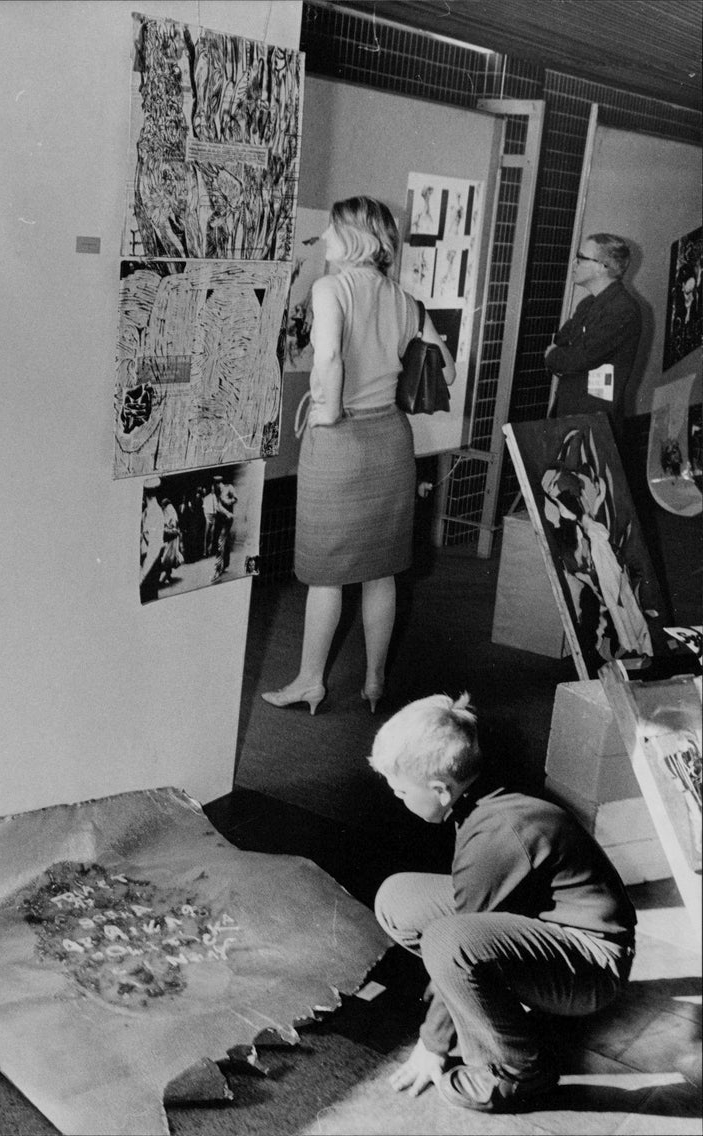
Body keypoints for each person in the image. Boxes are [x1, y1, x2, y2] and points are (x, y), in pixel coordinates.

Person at [369, 692, 636, 1113]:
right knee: (398, 897)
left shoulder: (496, 835)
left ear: (441, 790)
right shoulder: (485, 794)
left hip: (593, 966)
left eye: (402, 792)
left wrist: (433, 1044)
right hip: (554, 928)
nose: (399, 800)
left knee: (448, 944)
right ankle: (481, 998)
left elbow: (457, 934)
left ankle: (518, 1073)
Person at [261, 196, 456, 716]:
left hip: (340, 445)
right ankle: (373, 682)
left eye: (331, 230)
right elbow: (448, 372)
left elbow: (326, 356)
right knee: (381, 571)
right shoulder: (406, 300)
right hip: (390, 442)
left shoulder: (330, 288)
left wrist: (326, 412)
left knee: (326, 573)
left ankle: (310, 681)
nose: (325, 238)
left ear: (354, 238)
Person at [545, 233, 642, 443]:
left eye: (581, 257)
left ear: (602, 267)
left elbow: (573, 359)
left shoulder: (623, 310)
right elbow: (562, 341)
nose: (574, 263)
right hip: (569, 413)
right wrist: (560, 353)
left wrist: (556, 355)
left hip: (593, 424)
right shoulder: (588, 304)